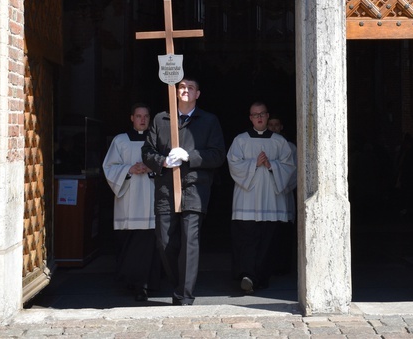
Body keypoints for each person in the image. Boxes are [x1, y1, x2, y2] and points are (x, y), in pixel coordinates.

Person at [142, 78, 226, 306]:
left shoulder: (209, 121)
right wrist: (164, 161)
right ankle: (180, 284)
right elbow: (147, 152)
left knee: (190, 241)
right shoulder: (161, 120)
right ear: (175, 92)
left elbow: (218, 155)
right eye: (181, 87)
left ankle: (184, 296)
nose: (185, 90)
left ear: (198, 94)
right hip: (166, 189)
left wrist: (190, 156)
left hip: (194, 188)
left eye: (190, 88)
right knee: (165, 241)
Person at [227, 102, 296, 293]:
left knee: (267, 240)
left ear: (267, 116)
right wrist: (254, 164)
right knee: (247, 239)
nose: (259, 117)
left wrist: (272, 165)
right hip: (247, 200)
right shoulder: (240, 140)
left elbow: (289, 166)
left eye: (262, 114)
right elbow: (233, 165)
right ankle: (247, 275)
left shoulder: (279, 141)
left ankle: (261, 277)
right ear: (250, 118)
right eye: (255, 114)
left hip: (270, 201)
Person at [102, 103, 160, 301]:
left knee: (149, 242)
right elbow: (109, 167)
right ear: (132, 118)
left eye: (145, 116)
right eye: (138, 116)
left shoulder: (157, 140)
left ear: (150, 118)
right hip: (128, 199)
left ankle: (147, 284)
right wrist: (129, 170)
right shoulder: (121, 140)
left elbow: (167, 165)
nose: (142, 119)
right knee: (130, 242)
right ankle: (131, 283)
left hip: (151, 199)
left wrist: (151, 167)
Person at [266, 113, 297, 275]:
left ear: (281, 127)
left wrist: (283, 186)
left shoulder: (290, 147)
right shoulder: (261, 144)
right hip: (265, 195)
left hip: (284, 195)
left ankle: (284, 267)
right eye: (270, 125)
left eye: (276, 125)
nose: (273, 128)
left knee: (283, 232)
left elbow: (296, 172)